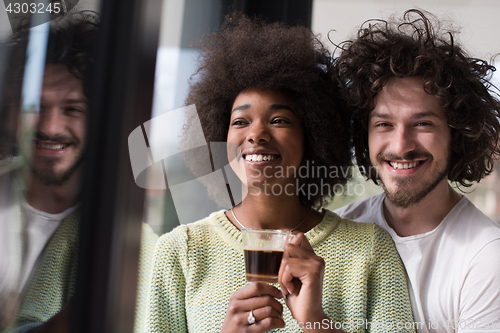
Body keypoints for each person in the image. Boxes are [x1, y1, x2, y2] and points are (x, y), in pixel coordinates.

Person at [146, 13, 415, 333]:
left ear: (313, 137)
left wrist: (317, 321)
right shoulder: (181, 251)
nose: (256, 134)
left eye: (279, 120)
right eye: (240, 122)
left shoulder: (370, 250)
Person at [334, 9, 500, 332]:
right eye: (384, 124)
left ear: (456, 133)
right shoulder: (340, 231)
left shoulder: (486, 257)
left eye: (422, 123)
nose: (401, 145)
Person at [0, 12, 157, 333]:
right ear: (8, 115)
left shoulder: (132, 245)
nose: (50, 128)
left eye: (72, 109)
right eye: (34, 107)